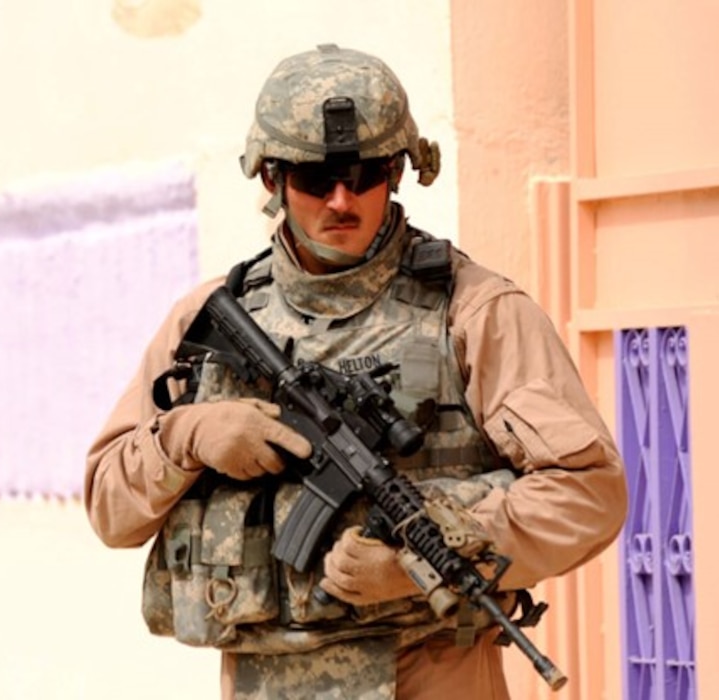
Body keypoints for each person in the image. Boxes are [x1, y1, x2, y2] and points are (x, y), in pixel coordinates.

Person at [84, 43, 627, 699]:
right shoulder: (207, 321)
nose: (342, 201)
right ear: (271, 178)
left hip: (430, 677)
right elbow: (111, 509)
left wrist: (417, 562)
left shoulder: (475, 312)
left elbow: (589, 493)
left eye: (366, 173)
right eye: (317, 179)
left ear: (399, 172)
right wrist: (189, 436)